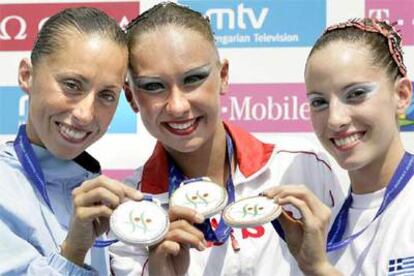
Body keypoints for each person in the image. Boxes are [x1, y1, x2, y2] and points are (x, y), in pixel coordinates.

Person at [109, 2, 345, 275]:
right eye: (153, 86)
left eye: (193, 79)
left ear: (223, 76)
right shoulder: (129, 211)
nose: (177, 106)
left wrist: (318, 269)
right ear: (131, 97)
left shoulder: (301, 166)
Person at [0, 7, 143, 275]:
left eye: (106, 95)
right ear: (26, 76)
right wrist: (73, 251)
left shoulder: (99, 190)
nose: (85, 114)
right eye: (72, 85)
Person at [265, 18, 413, 275]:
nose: (335, 119)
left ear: (401, 95)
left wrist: (320, 269)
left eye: (355, 94)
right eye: (319, 102)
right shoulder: (326, 228)